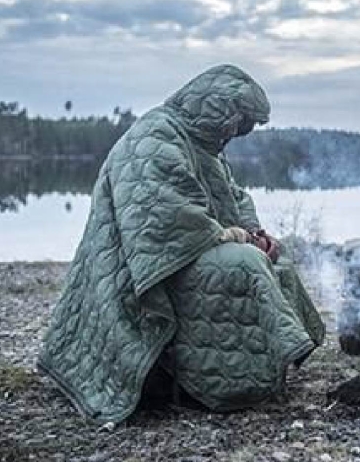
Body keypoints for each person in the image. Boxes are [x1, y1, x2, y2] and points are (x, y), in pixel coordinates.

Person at [38, 64, 325, 423]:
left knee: (274, 260)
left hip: (186, 251)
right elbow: (167, 216)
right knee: (245, 264)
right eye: (235, 122)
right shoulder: (154, 136)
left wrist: (257, 232)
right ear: (216, 109)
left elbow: (232, 198)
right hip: (145, 267)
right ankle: (218, 385)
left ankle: (262, 372)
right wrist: (235, 238)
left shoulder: (203, 145)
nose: (235, 133)